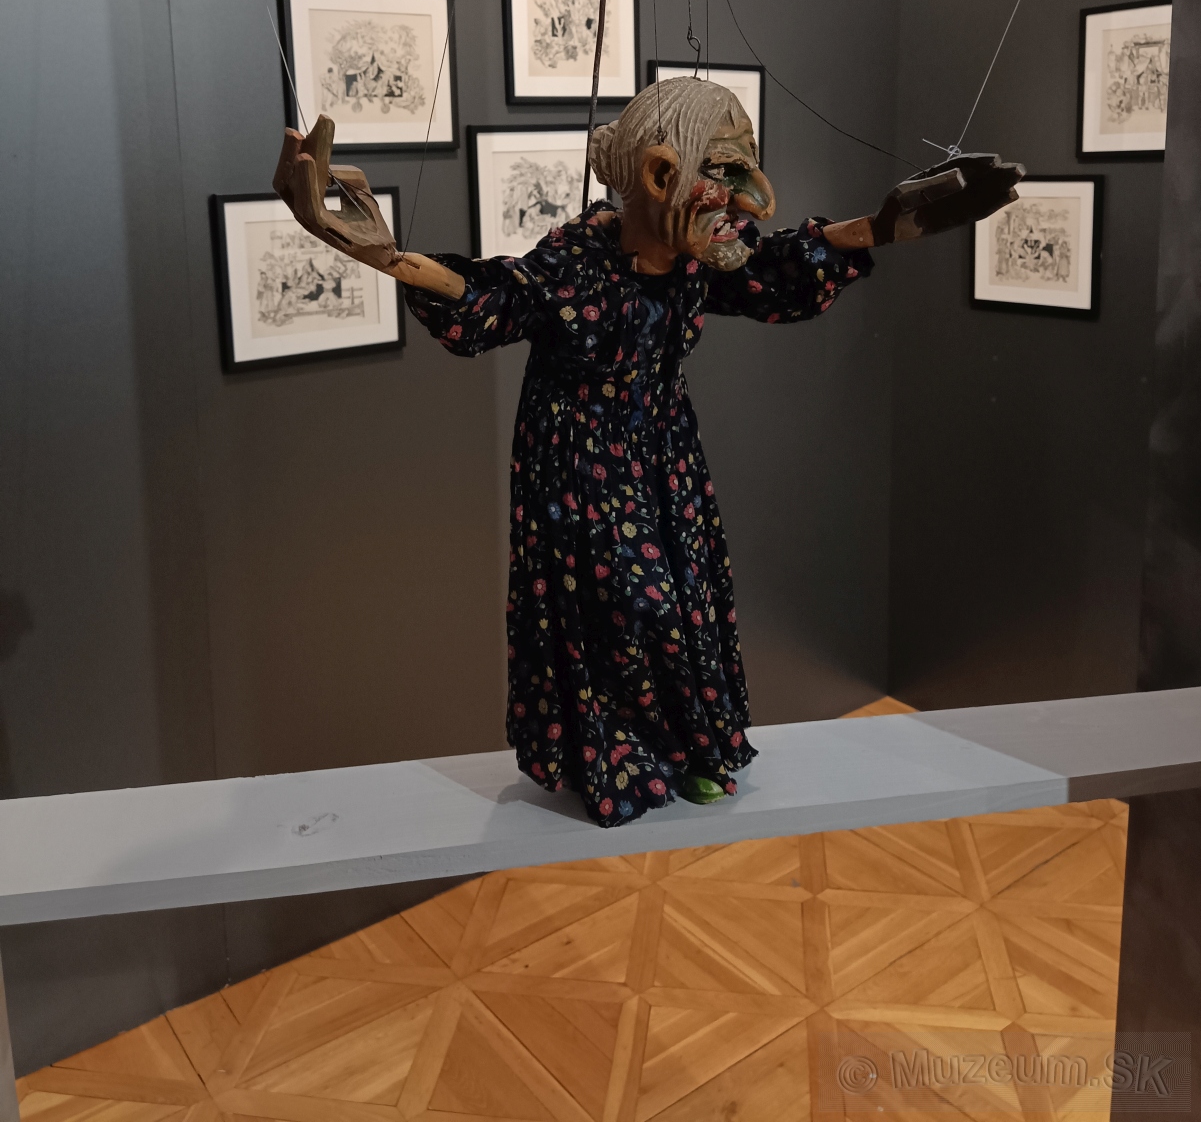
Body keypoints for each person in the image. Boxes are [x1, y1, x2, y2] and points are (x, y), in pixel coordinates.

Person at [274, 78, 1020, 828]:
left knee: (688, 599)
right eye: (726, 174)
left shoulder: (695, 259)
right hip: (578, 462)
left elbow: (771, 274)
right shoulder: (575, 264)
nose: (755, 200)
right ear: (661, 175)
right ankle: (612, 761)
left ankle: (690, 751)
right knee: (633, 610)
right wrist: (384, 256)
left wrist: (885, 226)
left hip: (664, 453)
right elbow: (493, 301)